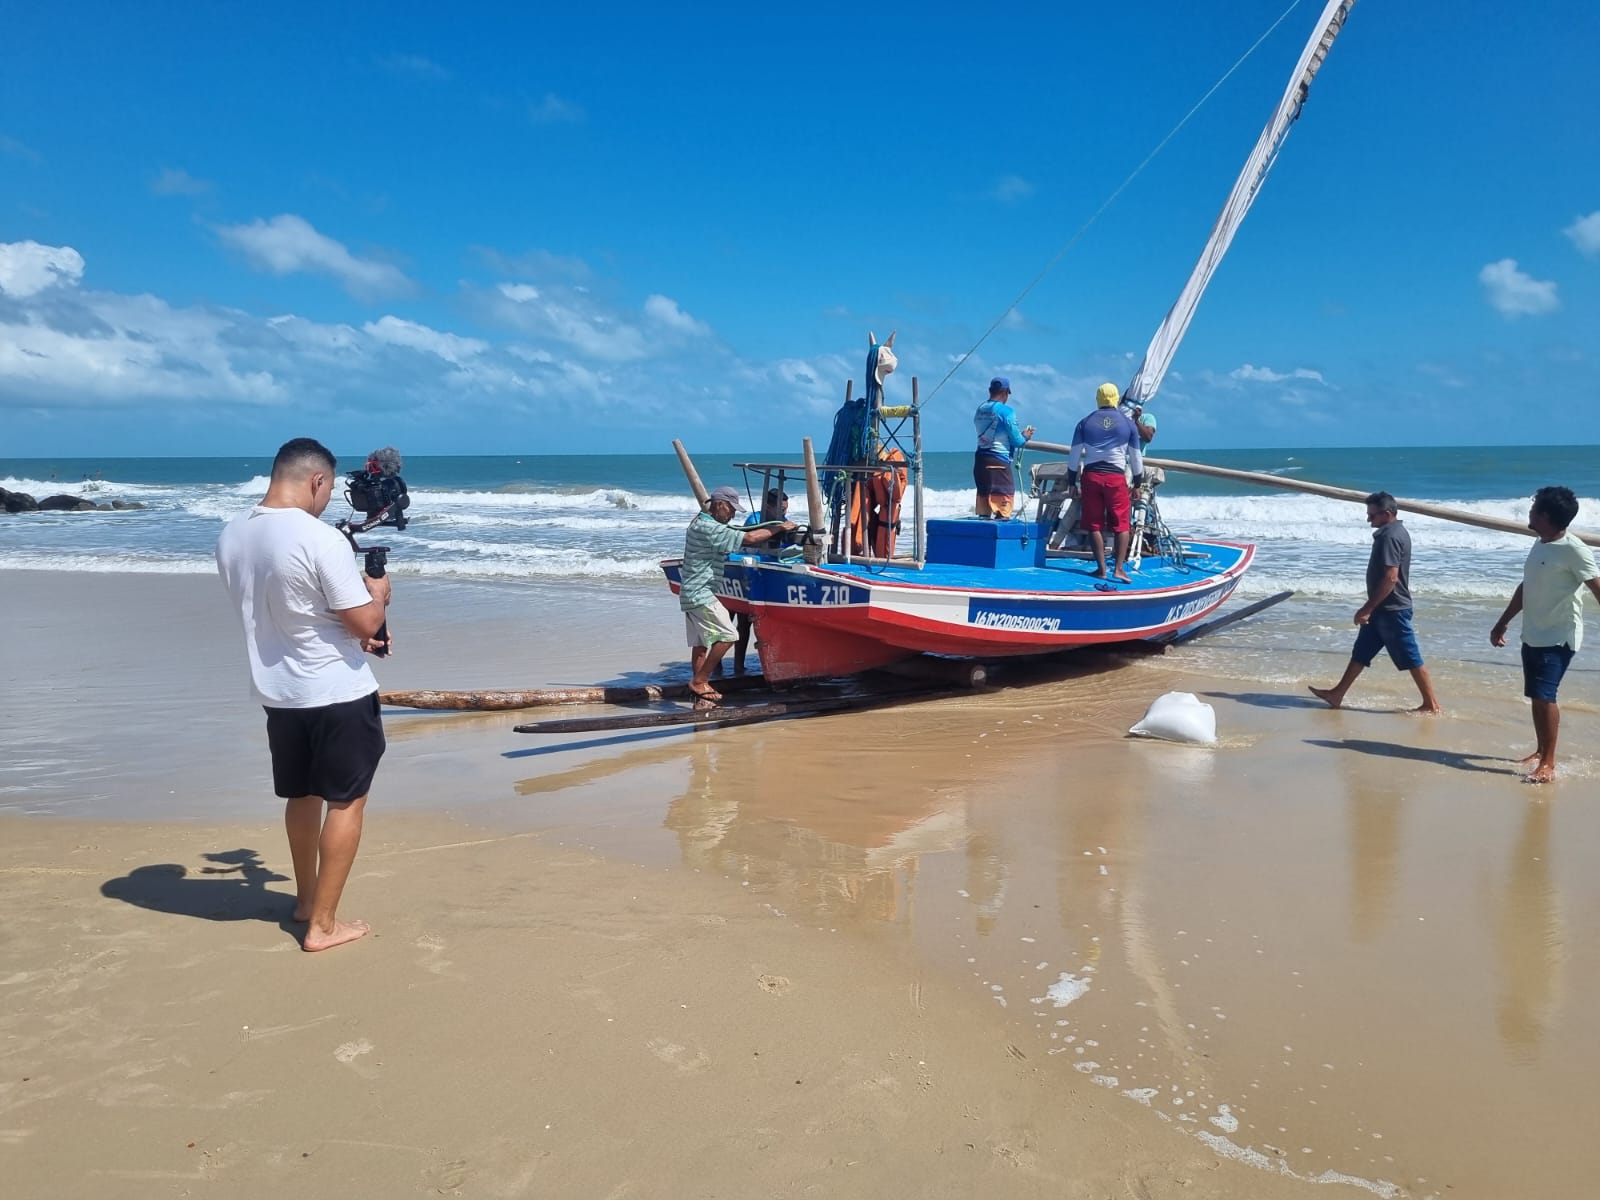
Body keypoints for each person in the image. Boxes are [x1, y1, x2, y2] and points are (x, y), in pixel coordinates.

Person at [214, 437, 392, 952]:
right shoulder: (319, 539)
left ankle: (306, 900)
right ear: (317, 480)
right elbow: (362, 619)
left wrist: (360, 621)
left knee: (302, 795)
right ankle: (324, 925)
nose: (329, 500)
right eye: (330, 490)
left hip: (280, 691)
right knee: (346, 802)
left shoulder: (232, 535)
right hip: (336, 691)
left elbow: (295, 611)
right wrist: (377, 597)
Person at [1490, 486, 1600, 783]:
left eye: (1535, 507)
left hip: (1559, 635)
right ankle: (1540, 751)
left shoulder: (1574, 549)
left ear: (1546, 516)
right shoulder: (1541, 542)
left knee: (1544, 695)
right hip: (1534, 632)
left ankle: (1549, 763)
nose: (1530, 511)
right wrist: (1503, 622)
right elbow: (1527, 587)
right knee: (1536, 696)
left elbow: (1596, 585)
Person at [1309, 491, 1442, 714]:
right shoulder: (1394, 531)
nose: (1368, 519)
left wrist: (1367, 608)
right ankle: (1337, 694)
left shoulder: (1389, 536)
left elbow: (1391, 577)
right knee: (1361, 652)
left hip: (1392, 609)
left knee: (1411, 656)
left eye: (1372, 515)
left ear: (1387, 514)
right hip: (1382, 609)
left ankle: (1431, 704)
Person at [682, 485, 795, 701]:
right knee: (729, 635)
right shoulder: (710, 529)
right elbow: (750, 539)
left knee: (701, 644)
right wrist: (781, 528)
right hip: (701, 594)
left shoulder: (699, 521)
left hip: (691, 592)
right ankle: (699, 681)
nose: (733, 514)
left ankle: (699, 691)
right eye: (731, 509)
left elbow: (735, 532)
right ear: (719, 505)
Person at [1066, 383, 1145, 582]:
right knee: (1122, 524)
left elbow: (1074, 455)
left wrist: (1071, 482)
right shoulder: (1128, 424)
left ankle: (1101, 569)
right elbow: (1136, 458)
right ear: (1116, 399)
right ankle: (1118, 569)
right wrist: (1137, 484)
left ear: (1098, 399)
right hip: (1115, 478)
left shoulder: (1084, 422)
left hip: (1091, 477)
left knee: (1094, 525)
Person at [733, 488, 792, 674]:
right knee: (740, 622)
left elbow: (790, 548)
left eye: (785, 510)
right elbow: (750, 540)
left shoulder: (784, 522)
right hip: (744, 574)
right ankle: (736, 666)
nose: (784, 513)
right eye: (781, 510)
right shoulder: (754, 520)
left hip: (768, 575)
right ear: (768, 506)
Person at [972, 377, 1034, 519]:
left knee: (984, 512)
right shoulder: (1006, 412)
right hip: (998, 462)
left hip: (980, 461)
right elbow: (1017, 441)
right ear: (1006, 392)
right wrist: (1025, 435)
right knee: (1003, 510)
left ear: (990, 391)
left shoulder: (980, 409)